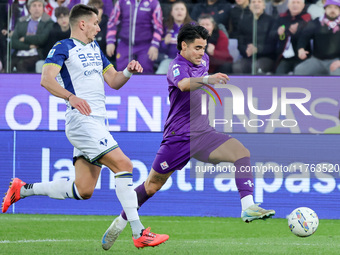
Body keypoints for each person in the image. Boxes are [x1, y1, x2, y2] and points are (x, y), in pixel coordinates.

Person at [1, 4, 169, 249]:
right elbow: (46, 79)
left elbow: (113, 81)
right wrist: (70, 96)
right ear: (82, 24)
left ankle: (22, 189)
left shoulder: (94, 48)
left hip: (98, 122)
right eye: (96, 23)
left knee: (84, 189)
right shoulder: (62, 47)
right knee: (124, 164)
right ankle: (138, 232)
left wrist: (128, 71)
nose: (98, 28)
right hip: (82, 122)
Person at [100, 23, 275, 251]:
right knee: (151, 186)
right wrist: (208, 80)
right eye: (197, 47)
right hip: (179, 138)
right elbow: (183, 85)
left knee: (241, 153)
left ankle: (248, 206)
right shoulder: (176, 66)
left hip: (204, 134)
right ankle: (120, 222)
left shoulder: (203, 62)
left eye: (204, 47)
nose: (202, 53)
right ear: (183, 46)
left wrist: (207, 77)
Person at [106, 0, 163, 73]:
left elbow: (158, 27)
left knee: (146, 71)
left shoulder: (153, 3)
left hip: (145, 46)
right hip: (125, 44)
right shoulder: (121, 1)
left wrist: (155, 45)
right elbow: (112, 22)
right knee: (122, 72)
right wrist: (110, 42)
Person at [294, 0, 340, 75]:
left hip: (336, 61)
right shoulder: (316, 22)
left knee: (337, 74)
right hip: (317, 60)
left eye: (336, 8)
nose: (332, 10)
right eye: (330, 7)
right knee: (300, 70)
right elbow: (304, 36)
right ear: (325, 9)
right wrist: (301, 49)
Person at [233, 0, 276, 74]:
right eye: (253, 2)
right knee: (237, 66)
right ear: (249, 6)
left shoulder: (271, 21)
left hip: (266, 57)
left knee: (256, 66)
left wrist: (257, 49)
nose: (256, 4)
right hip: (248, 57)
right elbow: (240, 43)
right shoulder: (243, 22)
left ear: (264, 6)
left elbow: (273, 45)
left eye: (259, 2)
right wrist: (246, 50)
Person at [11, 0, 54, 73]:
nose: (37, 8)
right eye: (34, 5)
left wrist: (24, 39)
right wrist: (28, 46)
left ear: (43, 8)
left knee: (22, 65)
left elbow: (41, 39)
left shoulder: (48, 22)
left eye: (39, 6)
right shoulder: (21, 21)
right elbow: (13, 42)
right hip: (19, 53)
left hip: (37, 54)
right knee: (8, 64)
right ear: (29, 9)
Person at [272, 0, 311, 74]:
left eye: (298, 2)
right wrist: (278, 32)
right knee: (279, 73)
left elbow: (305, 36)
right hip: (284, 58)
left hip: (301, 57)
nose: (295, 5)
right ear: (288, 5)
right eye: (293, 2)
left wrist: (290, 30)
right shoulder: (281, 18)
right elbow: (271, 35)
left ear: (303, 5)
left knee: (299, 72)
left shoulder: (307, 19)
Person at [156, 0, 192, 74]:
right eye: (176, 9)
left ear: (186, 12)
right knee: (159, 74)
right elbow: (160, 51)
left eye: (182, 9)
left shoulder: (193, 26)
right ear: (172, 12)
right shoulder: (165, 26)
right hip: (169, 60)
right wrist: (164, 43)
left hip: (188, 61)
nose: (179, 11)